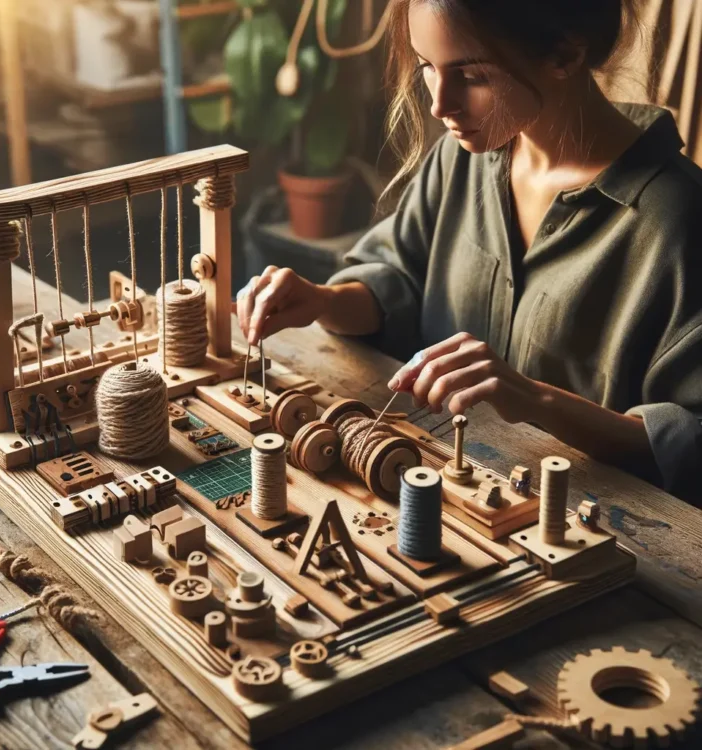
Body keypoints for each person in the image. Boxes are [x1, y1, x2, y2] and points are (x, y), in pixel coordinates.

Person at [236, 0, 702, 505]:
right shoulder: (460, 161)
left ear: (565, 55)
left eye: (473, 75)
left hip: (592, 537)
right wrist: (324, 301)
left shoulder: (677, 219)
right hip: (426, 486)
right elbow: (398, 279)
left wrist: (529, 396)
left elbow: (688, 443)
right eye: (427, 67)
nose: (440, 105)